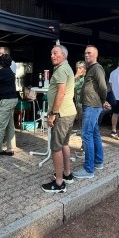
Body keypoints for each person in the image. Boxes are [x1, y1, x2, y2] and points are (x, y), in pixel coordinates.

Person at [41, 45, 77, 193]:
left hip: (61, 114)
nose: (52, 56)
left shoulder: (61, 70)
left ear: (63, 55)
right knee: (64, 144)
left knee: (55, 148)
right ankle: (67, 174)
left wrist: (53, 114)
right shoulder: (67, 67)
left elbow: (61, 93)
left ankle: (59, 183)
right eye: (51, 53)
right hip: (69, 112)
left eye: (55, 53)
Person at [73, 46, 110, 180]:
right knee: (94, 133)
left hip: (92, 106)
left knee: (86, 134)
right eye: (85, 53)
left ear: (96, 55)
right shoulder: (91, 69)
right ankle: (98, 162)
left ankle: (89, 170)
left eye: (89, 53)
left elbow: (103, 87)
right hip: (91, 105)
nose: (86, 55)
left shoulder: (97, 68)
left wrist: (102, 101)